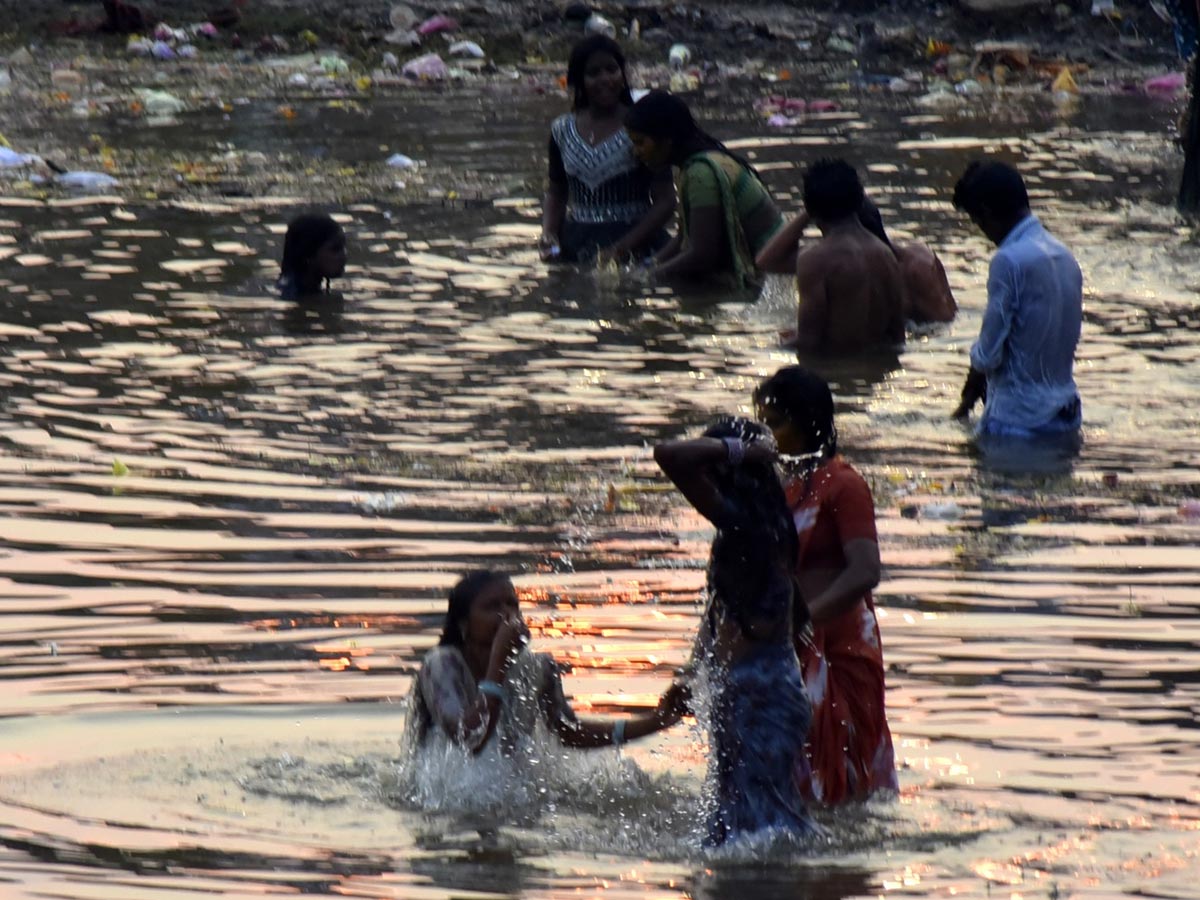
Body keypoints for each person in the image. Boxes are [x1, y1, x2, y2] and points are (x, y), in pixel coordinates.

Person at [655, 418, 814, 846]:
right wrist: (693, 672)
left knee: (757, 834)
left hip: (761, 700)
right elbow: (723, 614)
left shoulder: (749, 527)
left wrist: (740, 451)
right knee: (745, 829)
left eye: (710, 473)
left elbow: (669, 455)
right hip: (759, 695)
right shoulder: (760, 530)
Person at [752, 366, 898, 806]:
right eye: (761, 423)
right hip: (790, 647)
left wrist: (805, 620)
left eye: (776, 423)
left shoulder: (845, 485)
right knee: (790, 772)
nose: (767, 436)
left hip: (840, 651)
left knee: (843, 781)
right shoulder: (777, 488)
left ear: (808, 421)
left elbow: (865, 570)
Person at [408, 569, 686, 757]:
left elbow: (570, 733)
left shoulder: (536, 668)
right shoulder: (441, 665)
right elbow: (468, 739)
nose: (507, 615)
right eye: (492, 607)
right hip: (441, 803)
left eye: (512, 605)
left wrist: (655, 721)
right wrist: (499, 662)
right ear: (463, 624)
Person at [950, 161, 1083, 438]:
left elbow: (988, 353)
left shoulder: (1008, 261)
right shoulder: (1064, 256)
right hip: (1066, 415)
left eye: (977, 222)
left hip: (1016, 422)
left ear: (986, 213)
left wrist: (970, 390)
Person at [624, 91, 784, 287]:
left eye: (640, 142)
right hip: (775, 262)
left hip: (775, 276)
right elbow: (684, 238)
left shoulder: (701, 173)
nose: (636, 152)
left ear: (666, 140)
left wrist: (647, 279)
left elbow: (701, 255)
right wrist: (647, 267)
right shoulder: (692, 165)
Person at [540, 36, 675, 264]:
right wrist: (548, 235)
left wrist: (620, 249)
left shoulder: (645, 127)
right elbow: (556, 191)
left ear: (623, 74)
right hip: (575, 243)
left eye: (612, 70)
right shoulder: (561, 130)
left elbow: (666, 201)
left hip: (637, 243)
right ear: (579, 81)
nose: (605, 79)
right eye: (593, 73)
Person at [755, 159, 904, 353]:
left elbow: (808, 342)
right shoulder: (886, 255)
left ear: (810, 208)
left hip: (834, 367)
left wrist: (767, 346)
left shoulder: (815, 259)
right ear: (860, 200)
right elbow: (898, 337)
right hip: (879, 368)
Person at [760, 198, 957, 326]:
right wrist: (812, 207)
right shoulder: (833, 259)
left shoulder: (918, 267)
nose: (827, 244)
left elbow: (943, 326)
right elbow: (767, 262)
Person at [278, 212, 347, 333]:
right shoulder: (292, 295)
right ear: (308, 255)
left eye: (343, 247)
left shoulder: (303, 286)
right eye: (335, 249)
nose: (344, 255)